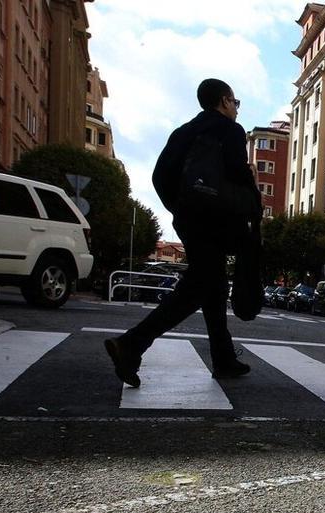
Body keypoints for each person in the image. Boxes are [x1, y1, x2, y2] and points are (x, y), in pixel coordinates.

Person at [104, 78, 261, 387]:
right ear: (225, 101)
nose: (236, 110)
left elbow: (160, 174)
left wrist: (179, 208)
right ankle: (132, 344)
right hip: (215, 220)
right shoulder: (229, 130)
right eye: (235, 103)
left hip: (189, 219)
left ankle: (224, 359)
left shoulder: (183, 132)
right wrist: (250, 179)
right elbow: (234, 171)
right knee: (198, 288)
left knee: (212, 285)